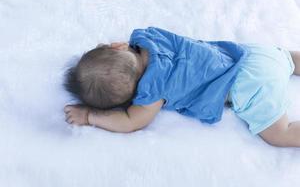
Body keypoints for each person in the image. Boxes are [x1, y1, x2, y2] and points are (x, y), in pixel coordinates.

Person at [63, 27, 300, 147]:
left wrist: (90, 116)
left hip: (249, 84)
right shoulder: (151, 37)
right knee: (288, 59)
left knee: (279, 134)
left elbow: (129, 122)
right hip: (255, 54)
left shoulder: (153, 92)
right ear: (118, 46)